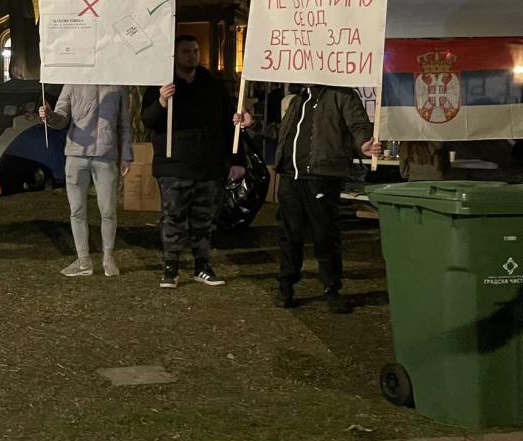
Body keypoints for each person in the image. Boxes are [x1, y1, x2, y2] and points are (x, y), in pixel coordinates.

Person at [142, 35, 252, 289]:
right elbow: (148, 120)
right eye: (185, 51)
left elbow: (229, 125)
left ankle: (203, 266)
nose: (191, 56)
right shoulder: (164, 84)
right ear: (175, 55)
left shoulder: (211, 85)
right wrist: (161, 101)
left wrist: (237, 158)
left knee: (204, 220)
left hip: (208, 166)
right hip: (174, 165)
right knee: (173, 219)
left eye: (195, 51)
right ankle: (171, 268)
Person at [273, 84, 380, 313]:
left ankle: (331, 289)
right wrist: (253, 125)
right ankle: (285, 287)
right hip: (291, 177)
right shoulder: (298, 99)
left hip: (321, 176)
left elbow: (358, 125)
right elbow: (285, 132)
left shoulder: (342, 95)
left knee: (325, 235)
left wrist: (364, 143)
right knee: (290, 235)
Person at [38, 85, 133, 277]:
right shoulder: (73, 83)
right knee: (77, 210)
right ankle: (84, 261)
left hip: (105, 155)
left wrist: (126, 155)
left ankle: (108, 258)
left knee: (108, 210)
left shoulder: (117, 85)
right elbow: (61, 118)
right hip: (76, 154)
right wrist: (49, 116)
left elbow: (124, 123)